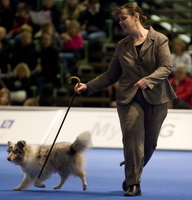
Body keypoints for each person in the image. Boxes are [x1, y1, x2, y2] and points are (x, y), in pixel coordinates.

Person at [75, 3, 176, 197]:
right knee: (132, 140)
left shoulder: (159, 39)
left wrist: (148, 81)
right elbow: (110, 75)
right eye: (119, 20)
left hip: (157, 97)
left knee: (150, 144)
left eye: (124, 18)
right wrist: (88, 86)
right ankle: (133, 183)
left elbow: (166, 67)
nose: (121, 23)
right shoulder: (122, 45)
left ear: (136, 16)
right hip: (129, 99)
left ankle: (133, 166)